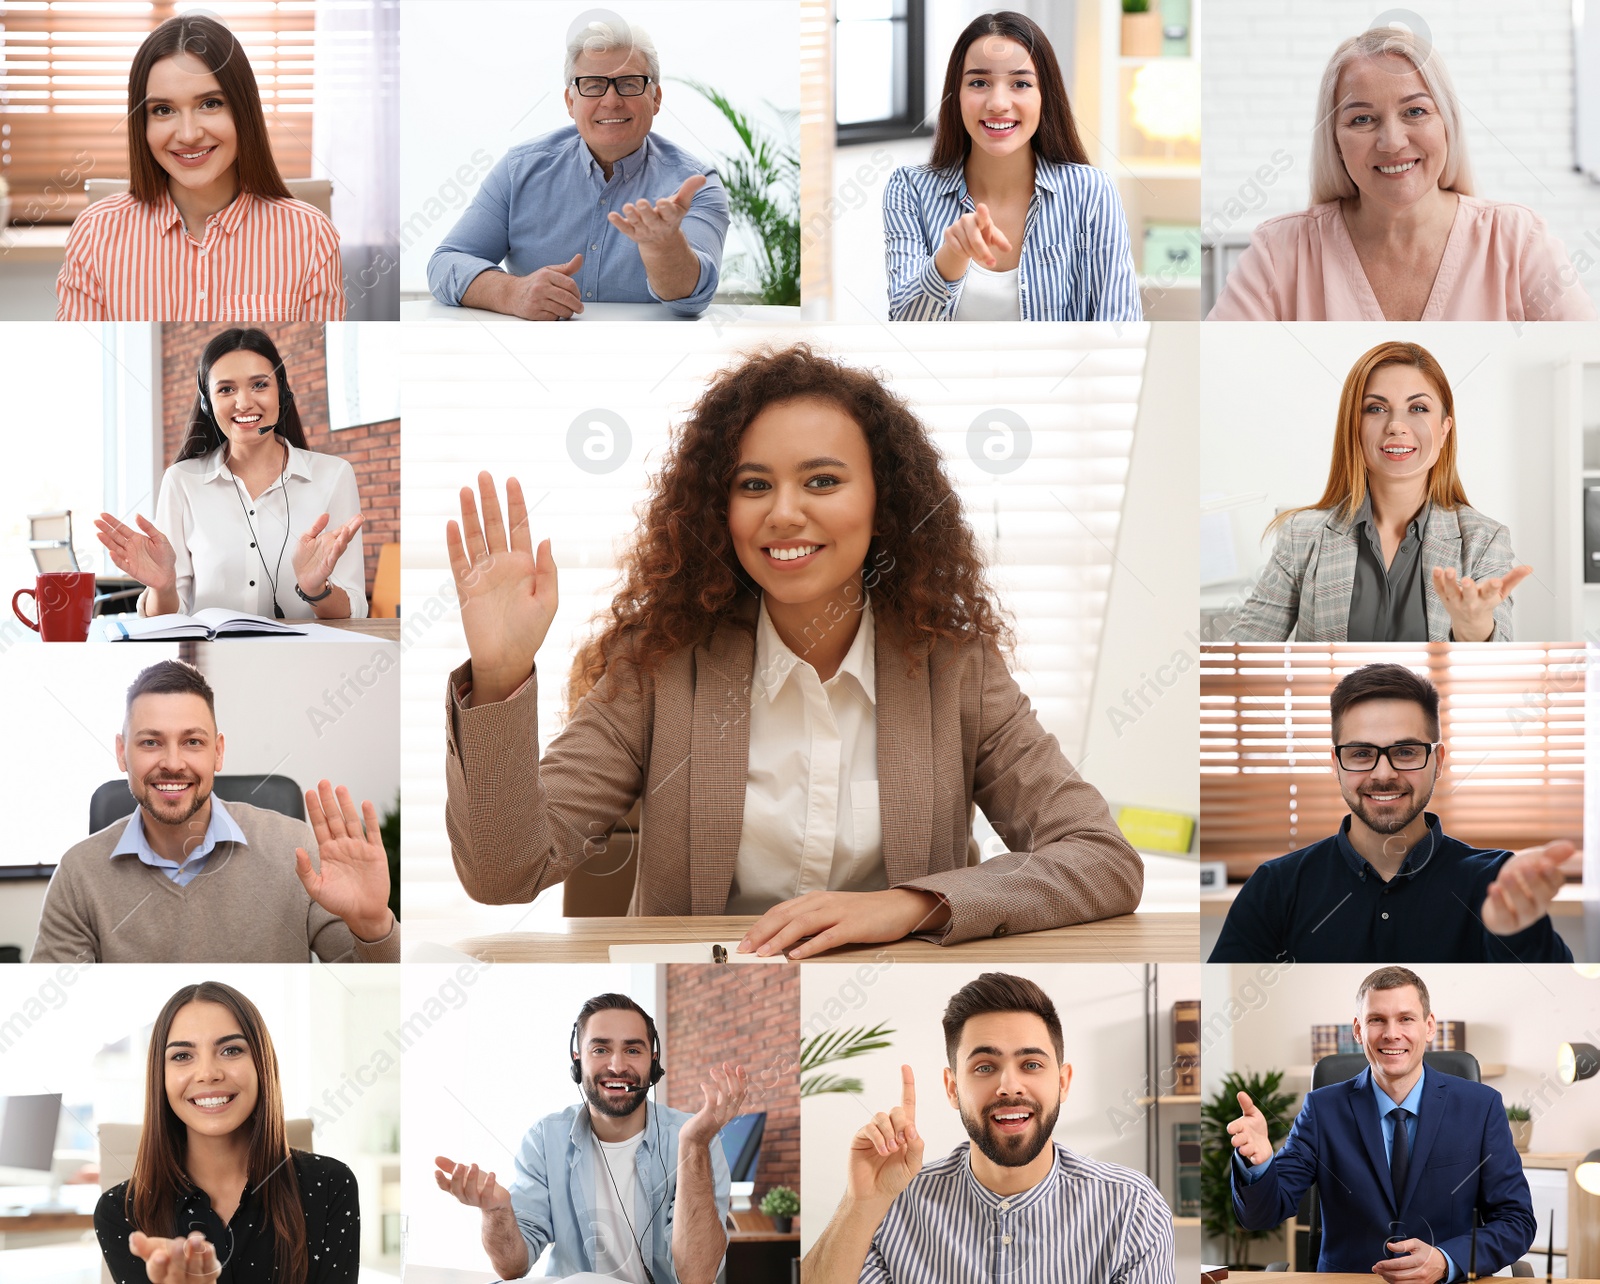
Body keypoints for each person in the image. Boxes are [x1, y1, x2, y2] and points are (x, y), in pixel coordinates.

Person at [443, 343, 1142, 955]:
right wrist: (501, 675)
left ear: (883, 503)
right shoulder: (661, 665)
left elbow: (1101, 860)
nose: (783, 512)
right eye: (754, 486)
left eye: (822, 481)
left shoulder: (954, 668)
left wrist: (906, 906)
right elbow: (504, 873)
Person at [804, 972, 1174, 1283]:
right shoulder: (893, 1206)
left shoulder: (1131, 1208)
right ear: (952, 1088)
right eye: (984, 1067)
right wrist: (861, 1205)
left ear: (1063, 1082)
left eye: (1031, 1064)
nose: (1009, 1086)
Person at [1209, 26, 1594, 322]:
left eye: (1415, 111)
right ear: (1335, 141)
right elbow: (1214, 376)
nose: (1391, 142)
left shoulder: (1517, 241)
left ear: (1448, 122)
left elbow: (1587, 375)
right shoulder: (1278, 252)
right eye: (1362, 119)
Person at [31, 660, 398, 963]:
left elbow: (373, 998)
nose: (173, 763)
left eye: (193, 742)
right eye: (150, 742)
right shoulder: (78, 875)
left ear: (218, 752)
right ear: (121, 752)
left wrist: (373, 925)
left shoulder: (297, 850)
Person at [1208, 663, 1573, 963]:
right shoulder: (1275, 887)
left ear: (1438, 761)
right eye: (1362, 754)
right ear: (1336, 764)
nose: (1384, 774)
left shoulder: (1495, 882)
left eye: (1406, 752)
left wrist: (1518, 931)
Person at [1228, 968, 1537, 1278]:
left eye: (1406, 1018)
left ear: (1429, 1026)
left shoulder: (1480, 1107)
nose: (1392, 1033)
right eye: (1377, 1020)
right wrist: (1260, 1164)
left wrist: (1445, 1260)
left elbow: (1516, 1221)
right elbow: (1262, 1215)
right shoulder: (1322, 1110)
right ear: (1358, 1030)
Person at [427, 16, 729, 319]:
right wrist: (511, 292)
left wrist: (663, 247)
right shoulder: (518, 170)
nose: (611, 101)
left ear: (656, 99)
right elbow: (446, 263)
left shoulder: (695, 183)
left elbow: (692, 300)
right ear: (570, 101)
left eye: (628, 84)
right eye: (593, 85)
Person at [1227, 341, 1528, 643]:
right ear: (1354, 426)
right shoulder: (1301, 536)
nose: (1396, 425)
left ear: (1444, 429)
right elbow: (1238, 656)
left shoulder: (1484, 540)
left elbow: (1494, 669)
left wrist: (1473, 628)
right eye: (1376, 408)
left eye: (1418, 408)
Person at [56, 14, 344, 322]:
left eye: (210, 104)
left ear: (243, 110)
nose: (189, 134)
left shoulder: (311, 237)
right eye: (163, 110)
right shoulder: (94, 234)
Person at [434, 993, 739, 1283]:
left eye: (632, 1050)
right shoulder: (545, 1138)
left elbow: (698, 1276)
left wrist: (694, 1146)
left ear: (653, 1062)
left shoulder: (695, 1140)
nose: (617, 1066)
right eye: (600, 1049)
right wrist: (496, 1211)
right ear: (578, 1060)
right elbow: (512, 1267)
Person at [94, 981, 361, 1284]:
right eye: (182, 1056)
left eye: (231, 1050)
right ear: (161, 1076)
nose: (208, 1073)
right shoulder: (119, 1212)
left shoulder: (330, 1185)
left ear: (262, 1065)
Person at [94, 327, 367, 621]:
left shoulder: (334, 475)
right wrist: (163, 588)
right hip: (206, 663)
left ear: (282, 392)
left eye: (259, 385)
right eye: (226, 389)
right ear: (207, 403)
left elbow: (355, 614)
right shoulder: (181, 481)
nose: (244, 403)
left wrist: (315, 589)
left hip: (305, 662)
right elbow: (170, 618)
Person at [882, 11, 1139, 322]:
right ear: (956, 95)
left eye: (1020, 83)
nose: (998, 103)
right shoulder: (910, 190)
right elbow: (905, 328)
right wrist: (948, 260)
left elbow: (1120, 326)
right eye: (979, 82)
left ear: (1045, 96)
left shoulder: (1091, 191)